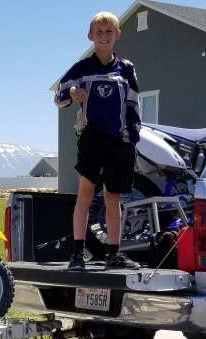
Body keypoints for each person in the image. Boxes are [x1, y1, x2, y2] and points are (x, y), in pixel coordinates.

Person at [55, 11, 142, 271]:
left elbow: (134, 104)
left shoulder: (126, 68)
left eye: (108, 31)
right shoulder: (82, 67)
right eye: (99, 32)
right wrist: (72, 92)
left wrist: (132, 137)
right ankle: (77, 255)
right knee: (85, 194)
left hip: (119, 141)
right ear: (90, 36)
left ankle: (114, 254)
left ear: (118, 34)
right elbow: (59, 96)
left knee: (113, 197)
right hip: (91, 139)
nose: (104, 36)